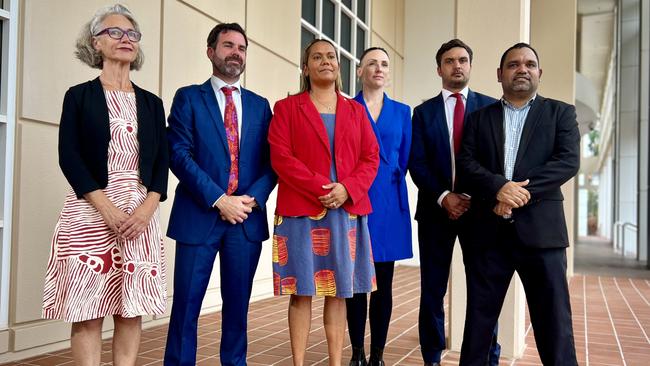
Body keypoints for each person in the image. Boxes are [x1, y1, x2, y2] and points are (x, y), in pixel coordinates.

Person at [42, 4, 168, 365]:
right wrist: (107, 208)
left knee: (131, 309)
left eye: (132, 34)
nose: (125, 39)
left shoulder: (152, 103)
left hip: (140, 215)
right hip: (89, 213)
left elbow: (162, 162)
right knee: (87, 308)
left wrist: (146, 210)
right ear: (96, 43)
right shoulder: (78, 96)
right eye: (115, 32)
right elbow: (70, 156)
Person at [457, 43, 579, 365]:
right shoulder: (479, 119)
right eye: (513, 64)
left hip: (543, 236)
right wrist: (499, 188)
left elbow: (567, 162)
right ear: (500, 74)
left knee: (554, 326)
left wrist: (515, 194)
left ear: (539, 72)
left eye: (529, 64)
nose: (521, 69)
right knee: (478, 326)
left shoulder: (560, 113)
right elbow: (466, 165)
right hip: (488, 235)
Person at [164, 23, 275, 366]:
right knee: (186, 305)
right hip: (199, 216)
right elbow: (179, 154)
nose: (236, 53)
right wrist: (218, 199)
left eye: (241, 48)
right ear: (211, 51)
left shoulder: (260, 105)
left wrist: (250, 200)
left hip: (245, 220)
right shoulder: (188, 98)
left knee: (238, 305)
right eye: (228, 45)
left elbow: (273, 162)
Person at [268, 38, 379, 366]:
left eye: (331, 56)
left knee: (339, 291)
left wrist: (346, 188)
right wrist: (323, 188)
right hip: (301, 210)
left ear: (339, 66)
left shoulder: (356, 111)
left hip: (345, 211)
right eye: (317, 57)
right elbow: (281, 157)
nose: (325, 61)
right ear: (306, 68)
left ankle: (334, 361)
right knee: (301, 291)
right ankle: (299, 362)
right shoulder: (287, 108)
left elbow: (371, 157)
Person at [408, 39, 499, 366]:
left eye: (462, 60)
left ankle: (487, 356)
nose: (456, 66)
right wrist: (445, 197)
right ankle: (431, 357)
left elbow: (495, 161)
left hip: (481, 213)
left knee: (485, 289)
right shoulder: (422, 113)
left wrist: (471, 197)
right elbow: (416, 162)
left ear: (470, 66)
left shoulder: (491, 108)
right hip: (435, 212)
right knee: (432, 291)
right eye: (449, 61)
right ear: (439, 69)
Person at [345, 47, 412, 366]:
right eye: (371, 63)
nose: (379, 68)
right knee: (357, 282)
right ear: (359, 71)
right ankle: (357, 352)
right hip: (355, 199)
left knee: (383, 283)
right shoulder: (346, 107)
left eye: (384, 64)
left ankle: (378, 355)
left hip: (389, 200)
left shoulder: (402, 112)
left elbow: (407, 157)